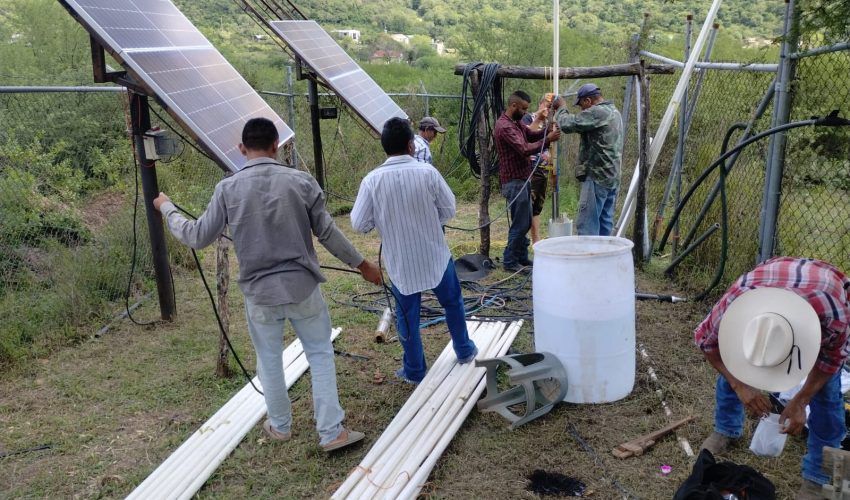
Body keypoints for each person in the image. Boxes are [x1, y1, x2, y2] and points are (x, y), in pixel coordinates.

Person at [153, 117, 382, 452]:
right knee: (319, 354)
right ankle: (332, 433)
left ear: (242, 149)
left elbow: (197, 235)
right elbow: (329, 234)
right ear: (277, 145)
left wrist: (167, 208)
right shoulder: (301, 182)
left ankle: (279, 426)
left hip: (259, 294)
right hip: (303, 288)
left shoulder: (227, 189)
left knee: (269, 359)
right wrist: (362, 265)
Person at [694, 257, 850, 499]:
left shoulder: (832, 314)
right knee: (737, 360)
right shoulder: (737, 302)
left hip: (822, 292)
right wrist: (740, 385)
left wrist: (801, 401)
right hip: (770, 279)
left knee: (827, 395)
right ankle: (726, 429)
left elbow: (830, 362)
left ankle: (819, 476)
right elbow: (706, 343)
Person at [351, 117, 478, 385]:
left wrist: (383, 219)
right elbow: (449, 209)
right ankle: (464, 350)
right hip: (435, 256)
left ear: (385, 147)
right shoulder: (427, 173)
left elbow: (359, 224)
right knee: (452, 303)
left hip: (401, 264)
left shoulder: (371, 181)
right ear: (411, 145)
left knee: (407, 318)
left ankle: (415, 369)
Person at [494, 90, 560, 271]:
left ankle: (522, 257)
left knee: (526, 219)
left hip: (522, 179)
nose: (525, 113)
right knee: (521, 223)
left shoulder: (515, 123)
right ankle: (510, 261)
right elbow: (524, 148)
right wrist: (548, 140)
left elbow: (530, 135)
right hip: (514, 181)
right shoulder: (504, 126)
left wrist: (547, 130)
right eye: (523, 109)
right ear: (513, 105)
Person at [552, 83, 623, 236]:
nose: (582, 110)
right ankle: (603, 258)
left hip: (597, 177)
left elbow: (567, 124)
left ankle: (587, 258)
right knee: (605, 224)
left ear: (588, 101)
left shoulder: (598, 112)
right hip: (612, 177)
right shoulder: (614, 111)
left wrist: (561, 107)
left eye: (582, 105)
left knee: (587, 226)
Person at [522, 97, 554, 244]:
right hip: (532, 167)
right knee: (528, 204)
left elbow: (550, 146)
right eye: (546, 105)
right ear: (540, 104)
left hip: (544, 169)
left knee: (537, 207)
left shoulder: (549, 123)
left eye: (551, 107)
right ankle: (525, 239)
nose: (548, 109)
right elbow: (525, 138)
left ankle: (536, 240)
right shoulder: (529, 118)